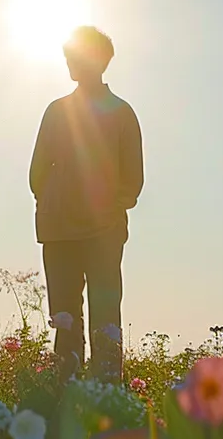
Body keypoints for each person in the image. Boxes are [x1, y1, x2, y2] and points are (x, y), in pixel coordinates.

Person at [28, 25, 143, 382]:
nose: (69, 64)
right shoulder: (57, 111)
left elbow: (133, 181)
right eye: (67, 57)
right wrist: (53, 203)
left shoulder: (122, 113)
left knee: (104, 315)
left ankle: (106, 393)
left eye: (74, 57)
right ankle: (68, 390)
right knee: (65, 318)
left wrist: (106, 210)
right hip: (60, 229)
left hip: (101, 231)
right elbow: (36, 173)